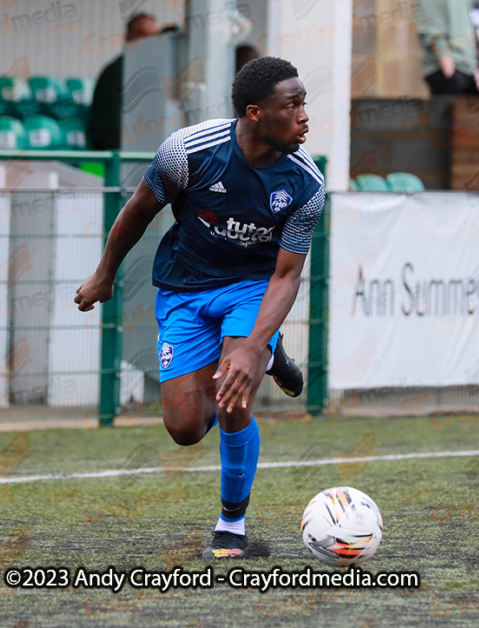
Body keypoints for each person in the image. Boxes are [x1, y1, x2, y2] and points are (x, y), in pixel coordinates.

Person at [75, 57, 322, 557]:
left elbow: (287, 274)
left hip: (253, 289)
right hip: (185, 287)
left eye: (304, 103)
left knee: (232, 399)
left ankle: (231, 526)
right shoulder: (188, 152)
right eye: (291, 106)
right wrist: (105, 273)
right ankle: (271, 358)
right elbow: (138, 211)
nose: (303, 116)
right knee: (185, 428)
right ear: (255, 113)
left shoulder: (306, 185)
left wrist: (253, 345)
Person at [86, 13, 161, 150]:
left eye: (154, 35)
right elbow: (108, 130)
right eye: (142, 34)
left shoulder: (155, 73)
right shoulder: (114, 73)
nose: (149, 40)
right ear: (128, 38)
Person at [417, 0, 479, 96]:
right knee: (445, 117)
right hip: (445, 68)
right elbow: (430, 27)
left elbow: (468, 23)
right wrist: (444, 57)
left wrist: (473, 66)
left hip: (466, 67)